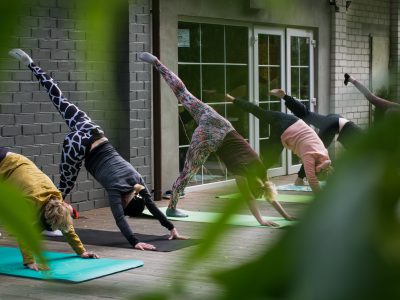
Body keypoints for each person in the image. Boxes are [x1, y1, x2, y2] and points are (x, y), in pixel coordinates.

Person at [9, 49, 186, 251]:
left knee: (59, 98)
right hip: (78, 148)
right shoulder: (115, 190)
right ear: (127, 202)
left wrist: (171, 228)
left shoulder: (138, 180)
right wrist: (135, 242)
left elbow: (153, 207)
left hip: (93, 132)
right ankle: (45, 224)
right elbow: (120, 220)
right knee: (60, 192)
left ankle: (31, 64)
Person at [139, 52, 295, 225]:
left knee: (184, 94)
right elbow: (252, 198)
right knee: (187, 173)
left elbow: (268, 193)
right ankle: (172, 207)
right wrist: (262, 221)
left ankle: (157, 63)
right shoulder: (242, 176)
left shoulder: (260, 170)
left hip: (220, 123)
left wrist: (286, 215)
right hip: (209, 139)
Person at [0, 147, 99, 271]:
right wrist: (29, 261)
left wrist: (81, 251)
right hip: (5, 165)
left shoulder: (57, 200)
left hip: (15, 160)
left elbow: (67, 228)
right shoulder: (30, 202)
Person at [225, 94, 333, 194]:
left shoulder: (324, 153)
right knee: (270, 159)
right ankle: (253, 181)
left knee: (259, 111)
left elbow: (326, 165)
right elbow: (312, 180)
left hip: (291, 120)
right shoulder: (310, 157)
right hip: (284, 131)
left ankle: (233, 99)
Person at [269, 89, 362, 186]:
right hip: (334, 125)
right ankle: (299, 179)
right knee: (312, 151)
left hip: (336, 119)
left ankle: (285, 96)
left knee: (307, 114)